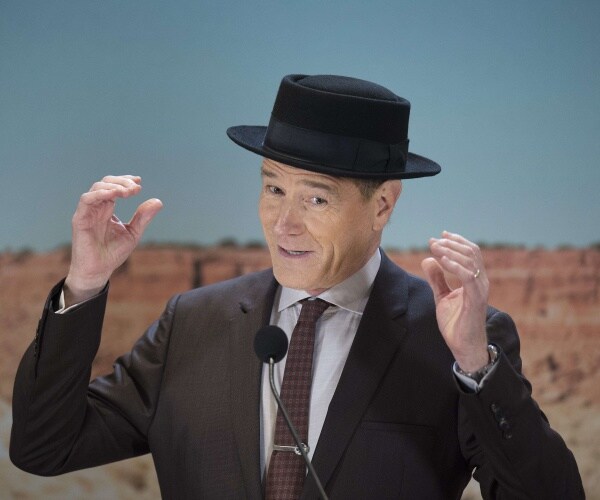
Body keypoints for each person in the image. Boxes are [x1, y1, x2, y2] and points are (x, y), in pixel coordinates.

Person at [10, 74, 584, 499]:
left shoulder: (454, 340)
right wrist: (85, 284)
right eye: (274, 189)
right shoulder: (193, 322)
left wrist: (476, 367)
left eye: (316, 198)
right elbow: (44, 447)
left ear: (382, 205)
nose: (284, 223)